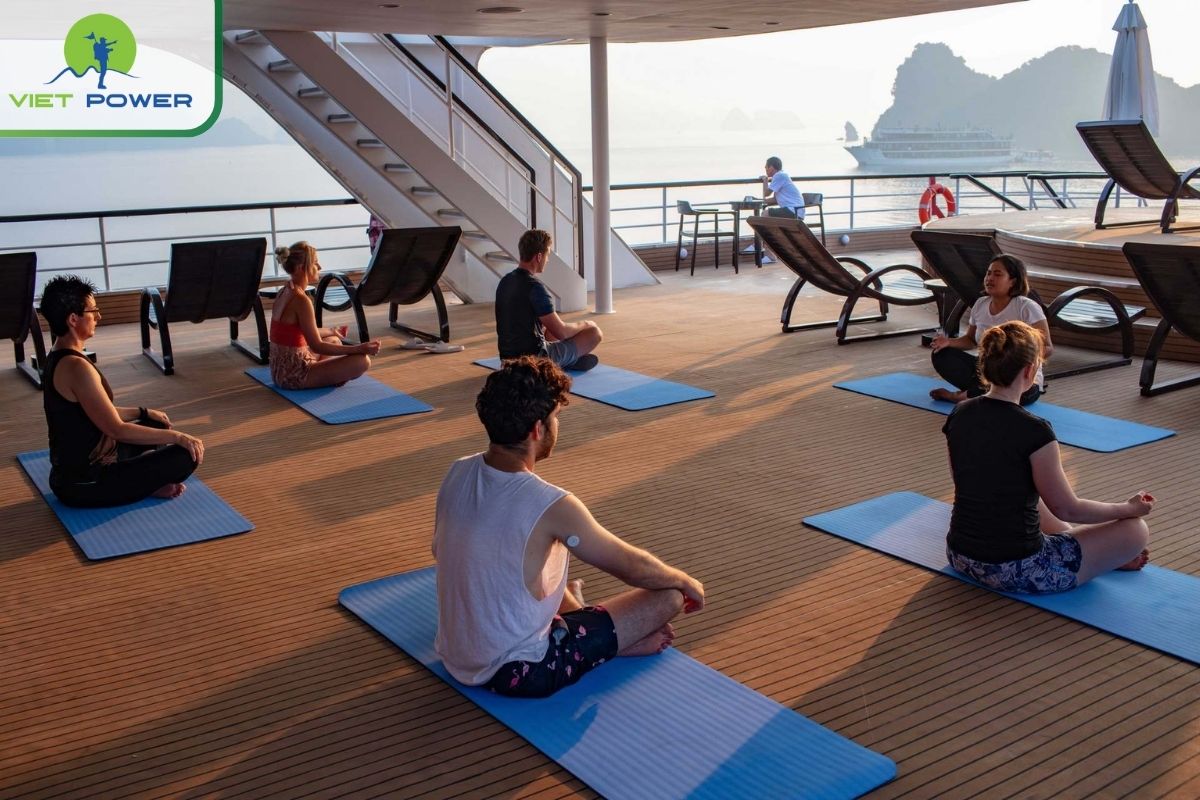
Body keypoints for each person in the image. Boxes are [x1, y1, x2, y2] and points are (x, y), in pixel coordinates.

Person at [433, 357, 704, 698]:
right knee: (667, 597)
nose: (557, 426)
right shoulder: (552, 505)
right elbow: (632, 567)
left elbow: (471, 560)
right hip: (522, 671)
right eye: (555, 418)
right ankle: (611, 645)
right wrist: (685, 581)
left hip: (456, 653)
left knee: (524, 556)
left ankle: (583, 622)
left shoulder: (458, 471)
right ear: (537, 429)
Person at [943, 320, 1152, 594]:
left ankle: (1092, 551)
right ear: (1030, 371)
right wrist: (1127, 509)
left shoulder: (960, 413)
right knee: (1136, 531)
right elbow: (1068, 509)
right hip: (1017, 569)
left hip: (960, 556)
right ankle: (1101, 554)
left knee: (1027, 494)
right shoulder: (1035, 430)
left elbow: (966, 481)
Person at [37, 275, 204, 508]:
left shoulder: (58, 356)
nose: (98, 316)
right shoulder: (76, 368)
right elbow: (116, 429)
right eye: (93, 311)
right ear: (73, 319)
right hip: (86, 483)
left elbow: (98, 413)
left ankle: (146, 478)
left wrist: (145, 412)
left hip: (80, 469)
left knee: (155, 424)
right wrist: (179, 437)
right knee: (185, 456)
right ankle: (147, 484)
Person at [929, 253, 1053, 406]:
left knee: (1016, 391)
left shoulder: (1026, 307)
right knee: (941, 354)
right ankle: (979, 392)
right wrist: (948, 342)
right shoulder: (980, 304)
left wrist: (1016, 360)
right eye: (988, 273)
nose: (990, 278)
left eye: (997, 274)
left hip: (1020, 379)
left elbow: (1047, 347)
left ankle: (960, 396)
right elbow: (970, 340)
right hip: (988, 371)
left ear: (1013, 281)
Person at [270, 241, 381, 389]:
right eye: (315, 263)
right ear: (301, 268)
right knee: (362, 361)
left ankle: (328, 374)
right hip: (294, 376)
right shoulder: (301, 300)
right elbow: (317, 346)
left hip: (280, 371)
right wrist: (359, 348)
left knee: (334, 339)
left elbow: (299, 332)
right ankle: (328, 377)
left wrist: (330, 330)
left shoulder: (285, 291)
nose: (320, 267)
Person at [495, 229, 602, 371]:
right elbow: (561, 332)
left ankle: (567, 360)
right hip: (534, 362)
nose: (547, 260)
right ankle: (561, 363)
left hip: (507, 361)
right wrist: (585, 323)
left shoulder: (505, 281)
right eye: (547, 255)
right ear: (539, 256)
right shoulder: (535, 287)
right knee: (594, 333)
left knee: (548, 330)